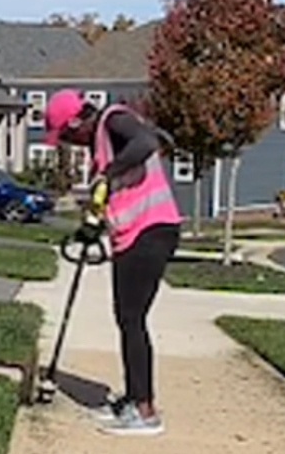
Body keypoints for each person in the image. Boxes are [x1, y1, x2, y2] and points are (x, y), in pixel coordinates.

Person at [43, 90, 182, 435]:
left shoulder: (113, 120)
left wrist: (108, 173)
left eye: (66, 135)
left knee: (132, 319)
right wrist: (92, 226)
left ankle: (145, 411)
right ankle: (133, 399)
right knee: (127, 318)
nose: (69, 143)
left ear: (76, 122)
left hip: (151, 231)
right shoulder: (102, 142)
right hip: (136, 234)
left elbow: (146, 142)